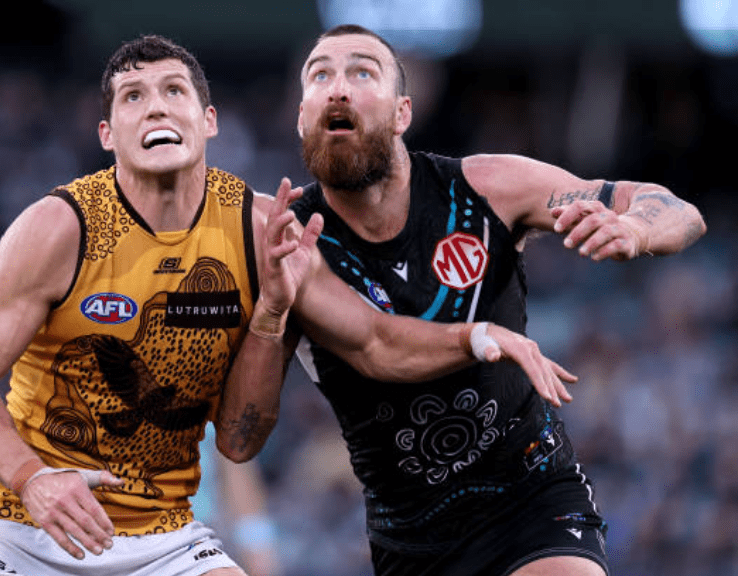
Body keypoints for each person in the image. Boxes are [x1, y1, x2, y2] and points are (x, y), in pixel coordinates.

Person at [0, 34, 578, 576]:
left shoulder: (263, 232)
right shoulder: (60, 228)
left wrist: (273, 317)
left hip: (163, 540)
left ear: (208, 121)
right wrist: (32, 478)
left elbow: (356, 356)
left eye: (174, 91)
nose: (156, 108)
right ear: (108, 132)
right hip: (22, 529)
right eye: (133, 97)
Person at [289, 24, 707, 576]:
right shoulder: (289, 242)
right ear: (302, 117)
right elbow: (259, 427)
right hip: (411, 538)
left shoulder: (485, 188)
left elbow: (679, 210)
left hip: (532, 498)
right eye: (321, 75)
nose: (338, 88)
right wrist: (270, 315)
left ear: (402, 114)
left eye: (362, 71)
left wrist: (635, 230)